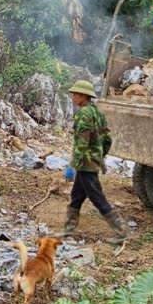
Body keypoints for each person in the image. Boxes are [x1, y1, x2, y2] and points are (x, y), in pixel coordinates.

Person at [59, 80, 128, 243]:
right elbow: (108, 139)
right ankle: (68, 230)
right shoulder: (98, 113)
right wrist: (100, 156)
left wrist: (72, 165)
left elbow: (81, 143)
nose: (73, 97)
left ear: (84, 96)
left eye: (76, 94)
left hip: (85, 164)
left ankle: (122, 231)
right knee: (76, 195)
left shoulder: (84, 114)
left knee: (97, 197)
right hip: (92, 162)